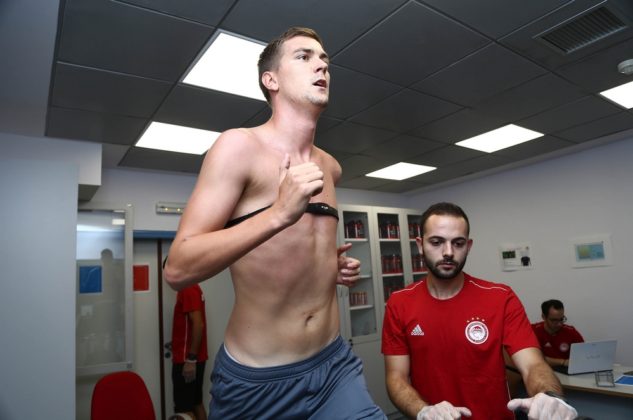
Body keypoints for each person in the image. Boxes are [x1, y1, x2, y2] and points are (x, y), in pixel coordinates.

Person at [164, 27, 385, 419]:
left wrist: (327, 265)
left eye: (325, 60)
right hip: (258, 381)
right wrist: (278, 213)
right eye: (304, 56)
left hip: (334, 367)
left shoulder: (330, 167)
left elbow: (295, 251)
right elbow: (178, 268)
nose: (322, 66)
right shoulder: (239, 146)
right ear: (271, 80)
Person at [381, 202, 578, 420]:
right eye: (436, 242)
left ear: (468, 246)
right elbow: (396, 377)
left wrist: (549, 396)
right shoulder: (399, 303)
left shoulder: (500, 297)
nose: (448, 252)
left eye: (458, 243)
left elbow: (533, 365)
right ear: (420, 245)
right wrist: (422, 410)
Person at [171, 284, 208, 420]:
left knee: (184, 409)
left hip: (187, 360)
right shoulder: (192, 288)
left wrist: (191, 359)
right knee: (196, 403)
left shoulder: (187, 289)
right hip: (193, 358)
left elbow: (198, 324)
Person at [532, 299, 584, 368]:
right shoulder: (533, 331)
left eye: (561, 319)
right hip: (542, 369)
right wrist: (563, 362)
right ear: (544, 317)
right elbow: (533, 358)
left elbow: (583, 354)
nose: (559, 324)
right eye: (554, 320)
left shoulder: (571, 331)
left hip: (565, 371)